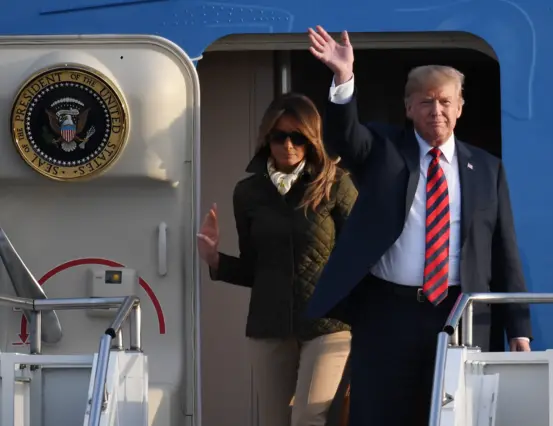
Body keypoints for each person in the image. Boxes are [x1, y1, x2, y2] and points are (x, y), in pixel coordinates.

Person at [305, 25, 533, 426]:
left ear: (460, 107)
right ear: (409, 107)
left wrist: (519, 327)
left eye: (446, 101)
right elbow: (345, 139)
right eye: (426, 101)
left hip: (458, 314)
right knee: (380, 414)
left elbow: (504, 251)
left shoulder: (486, 169)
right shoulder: (383, 148)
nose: (437, 110)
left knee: (455, 415)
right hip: (388, 313)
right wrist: (343, 80)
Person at [197, 92, 357, 426]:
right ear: (267, 138)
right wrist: (215, 260)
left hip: (328, 323)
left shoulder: (335, 184)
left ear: (312, 139)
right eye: (279, 136)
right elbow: (255, 266)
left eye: (297, 137)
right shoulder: (248, 192)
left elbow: (361, 254)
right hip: (269, 324)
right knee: (274, 421)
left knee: (307, 417)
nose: (288, 145)